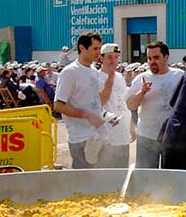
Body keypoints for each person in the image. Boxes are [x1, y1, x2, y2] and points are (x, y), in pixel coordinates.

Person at [54, 31, 111, 169]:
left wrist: (105, 115)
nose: (98, 52)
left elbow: (96, 101)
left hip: (98, 136)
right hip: (81, 139)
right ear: (82, 48)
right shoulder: (69, 72)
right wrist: (86, 115)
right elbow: (58, 105)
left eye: (99, 48)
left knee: (102, 181)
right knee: (84, 183)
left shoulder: (93, 70)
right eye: (95, 48)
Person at [127, 41, 183, 168]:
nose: (152, 61)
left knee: (170, 176)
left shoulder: (179, 76)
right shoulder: (141, 78)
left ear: (166, 57)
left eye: (156, 57)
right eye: (149, 58)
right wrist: (142, 92)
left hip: (172, 138)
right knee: (146, 177)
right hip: (147, 137)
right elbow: (130, 105)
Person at [98, 43, 134, 168]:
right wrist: (110, 77)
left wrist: (131, 128)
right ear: (101, 58)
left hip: (122, 135)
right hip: (107, 137)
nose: (113, 61)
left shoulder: (120, 77)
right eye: (109, 57)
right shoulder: (96, 78)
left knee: (122, 173)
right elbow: (98, 104)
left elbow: (123, 104)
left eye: (116, 57)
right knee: (107, 175)